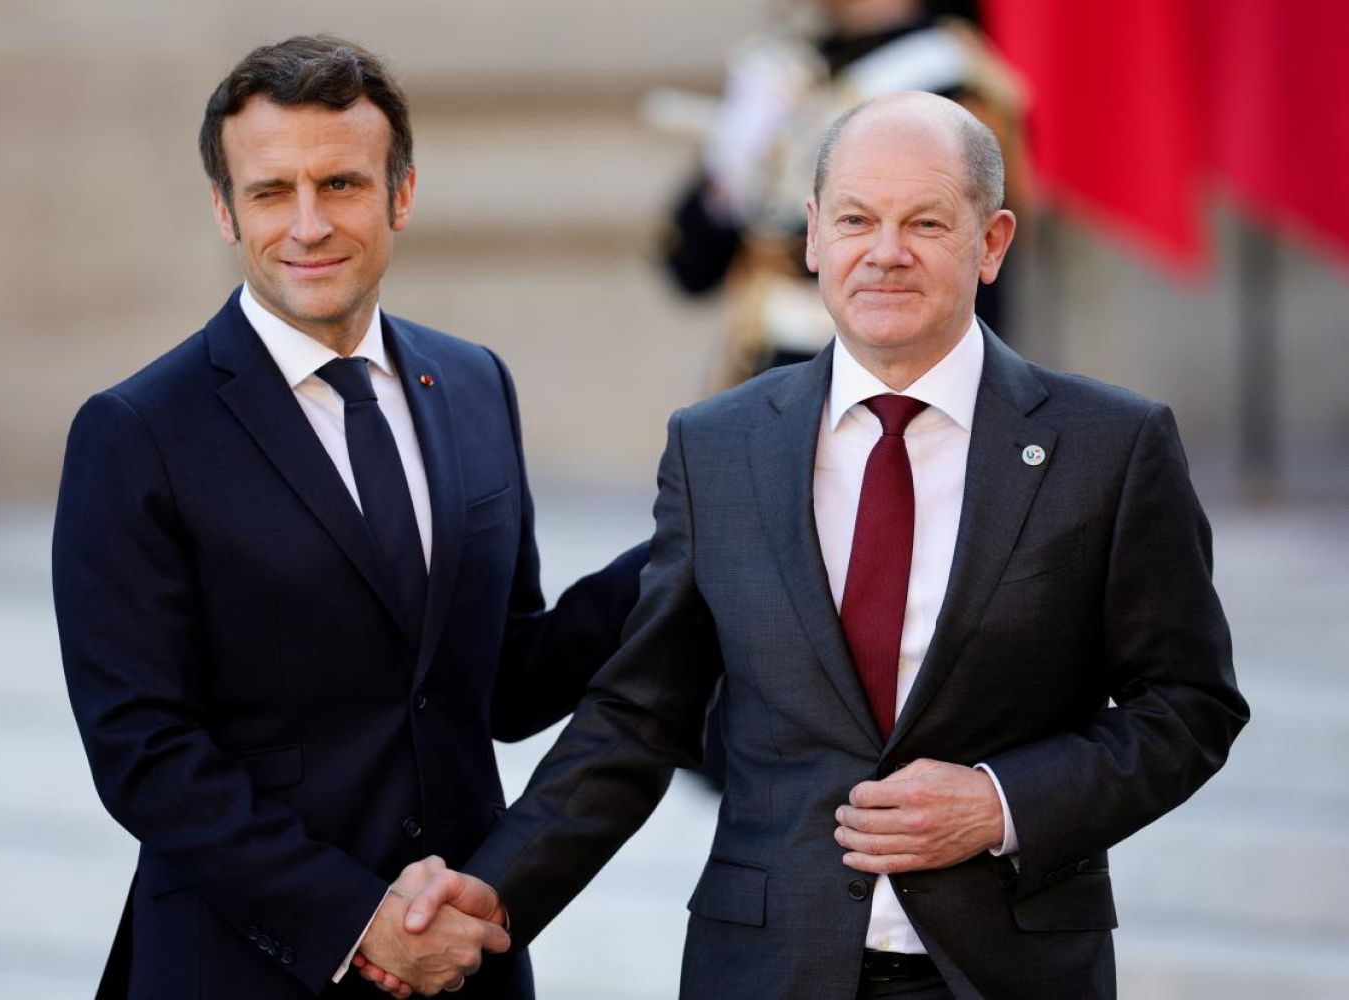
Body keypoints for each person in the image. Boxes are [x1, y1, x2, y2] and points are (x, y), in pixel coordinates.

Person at [382, 92, 1248, 998]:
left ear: (992, 243)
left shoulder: (1111, 446)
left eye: (925, 223)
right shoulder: (717, 447)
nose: (885, 251)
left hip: (1012, 969)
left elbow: (1188, 703)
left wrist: (1000, 802)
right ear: (812, 237)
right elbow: (639, 717)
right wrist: (494, 890)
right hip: (767, 966)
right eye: (855, 220)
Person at [52, 35, 646, 1000]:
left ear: (400, 194)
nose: (309, 224)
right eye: (270, 192)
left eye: (340, 184)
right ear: (224, 209)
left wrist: (686, 544)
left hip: (464, 963)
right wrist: (358, 922)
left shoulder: (474, 382)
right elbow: (144, 753)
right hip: (245, 968)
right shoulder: (136, 432)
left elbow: (503, 680)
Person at [662, 0, 1030, 388]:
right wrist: (732, 172)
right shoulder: (796, 67)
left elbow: (971, 292)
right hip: (772, 379)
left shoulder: (948, 77)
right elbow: (691, 268)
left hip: (888, 393)